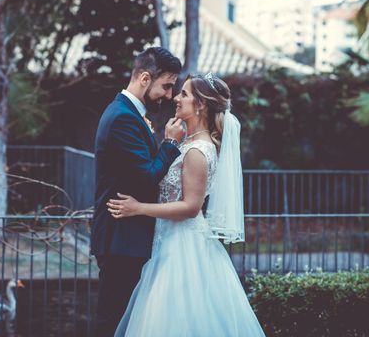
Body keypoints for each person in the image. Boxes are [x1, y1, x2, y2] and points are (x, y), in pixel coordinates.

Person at [107, 73, 265, 336]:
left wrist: (138, 208)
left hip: (182, 247)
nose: (176, 99)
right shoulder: (187, 143)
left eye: (184, 94)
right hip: (168, 239)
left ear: (200, 105)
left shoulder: (196, 151)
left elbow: (191, 207)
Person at [91, 47, 186, 337]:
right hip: (122, 239)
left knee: (124, 321)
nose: (169, 95)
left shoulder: (128, 114)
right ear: (145, 78)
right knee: (113, 321)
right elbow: (147, 177)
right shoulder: (123, 118)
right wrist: (169, 144)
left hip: (127, 237)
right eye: (166, 86)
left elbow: (136, 171)